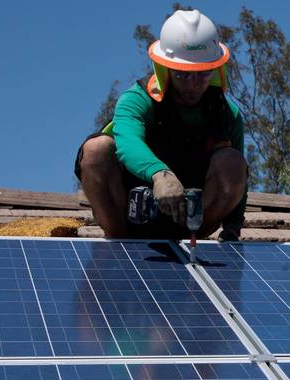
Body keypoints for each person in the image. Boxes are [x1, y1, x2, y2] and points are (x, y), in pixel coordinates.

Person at [75, 9, 246, 241]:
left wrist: (233, 227)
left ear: (215, 69)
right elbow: (128, 143)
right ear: (165, 69)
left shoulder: (227, 115)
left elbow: (239, 178)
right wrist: (160, 174)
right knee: (96, 150)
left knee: (234, 162)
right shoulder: (137, 100)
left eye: (202, 73)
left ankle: (189, 243)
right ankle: (118, 242)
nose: (193, 84)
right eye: (183, 74)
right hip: (129, 216)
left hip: (191, 221)